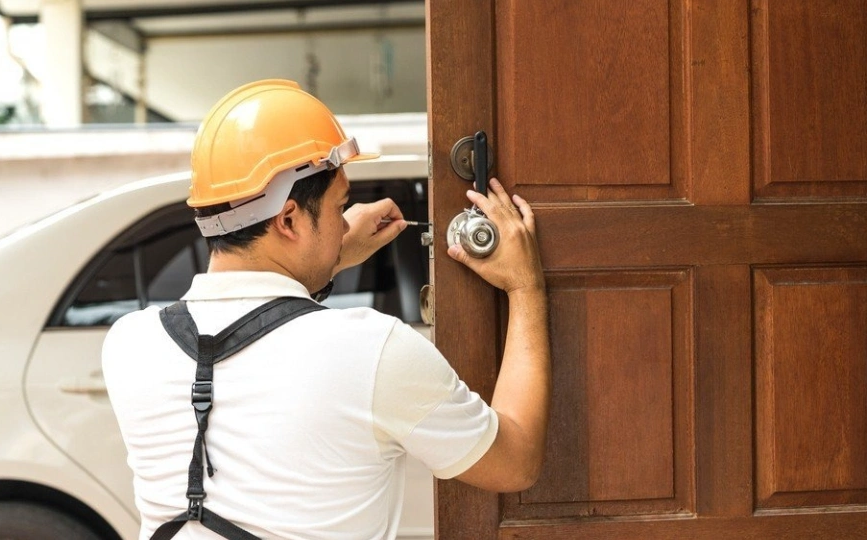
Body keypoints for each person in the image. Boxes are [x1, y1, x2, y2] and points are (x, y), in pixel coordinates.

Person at [103, 79, 550, 540]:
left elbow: (267, 337)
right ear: (289, 219)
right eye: (340, 206)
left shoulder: (129, 343)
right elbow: (514, 462)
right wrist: (525, 285)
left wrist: (324, 255)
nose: (345, 223)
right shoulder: (373, 349)